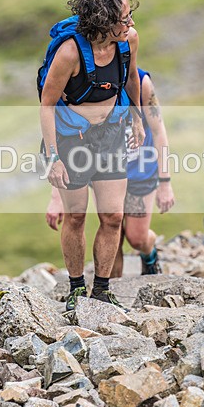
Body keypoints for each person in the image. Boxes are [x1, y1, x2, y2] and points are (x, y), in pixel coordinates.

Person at [39, 0, 145, 310]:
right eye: (123, 18)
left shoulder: (128, 41)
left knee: (112, 216)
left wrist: (137, 118)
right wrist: (53, 156)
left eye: (130, 17)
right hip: (73, 140)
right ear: (102, 20)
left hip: (112, 132)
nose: (129, 24)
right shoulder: (69, 53)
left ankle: (101, 289)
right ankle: (75, 289)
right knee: (76, 217)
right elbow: (47, 103)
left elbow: (131, 79)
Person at [46, 68, 175, 277]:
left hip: (140, 170)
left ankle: (149, 253)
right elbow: (68, 138)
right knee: (111, 227)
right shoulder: (89, 83)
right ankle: (109, 292)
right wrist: (56, 197)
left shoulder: (141, 82)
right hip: (106, 168)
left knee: (137, 237)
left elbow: (159, 130)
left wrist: (165, 183)